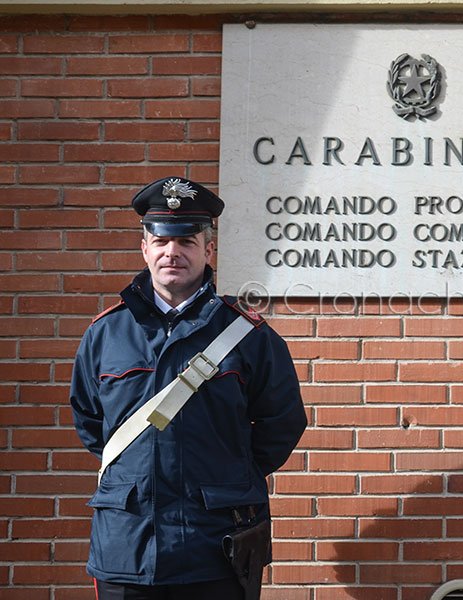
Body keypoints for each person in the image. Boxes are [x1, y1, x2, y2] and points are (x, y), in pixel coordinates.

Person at [70, 177, 307, 599]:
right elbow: (90, 423)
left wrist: (227, 474)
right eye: (161, 241)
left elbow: (282, 422)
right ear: (145, 248)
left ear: (208, 250)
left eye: (186, 241)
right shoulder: (105, 334)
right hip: (127, 545)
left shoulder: (248, 336)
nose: (172, 252)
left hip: (216, 544)